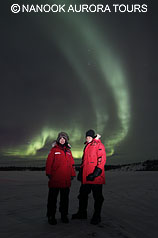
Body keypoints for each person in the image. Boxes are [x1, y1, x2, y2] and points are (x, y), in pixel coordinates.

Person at [72, 129, 106, 225]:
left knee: (98, 197)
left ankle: (97, 216)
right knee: (82, 195)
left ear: (93, 136)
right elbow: (85, 162)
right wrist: (81, 172)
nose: (88, 138)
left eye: (90, 136)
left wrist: (96, 173)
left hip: (95, 178)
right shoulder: (87, 146)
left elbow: (101, 159)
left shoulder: (99, 145)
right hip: (86, 177)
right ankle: (82, 213)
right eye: (87, 137)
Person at [46, 132, 76, 225]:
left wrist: (72, 174)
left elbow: (72, 164)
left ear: (66, 140)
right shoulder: (54, 150)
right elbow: (49, 162)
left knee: (64, 200)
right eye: (61, 138)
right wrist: (49, 174)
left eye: (64, 138)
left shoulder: (68, 151)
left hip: (66, 180)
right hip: (55, 179)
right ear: (58, 140)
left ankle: (64, 215)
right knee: (52, 199)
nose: (62, 140)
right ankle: (51, 216)